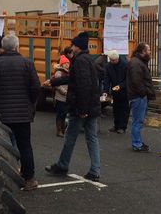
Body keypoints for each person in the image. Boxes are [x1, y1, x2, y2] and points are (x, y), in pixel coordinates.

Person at [0, 34, 41, 191]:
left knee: (1, 145)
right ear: (17, 46)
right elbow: (36, 87)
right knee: (25, 146)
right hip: (22, 113)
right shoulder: (27, 64)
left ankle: (3, 177)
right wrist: (30, 103)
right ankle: (29, 178)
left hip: (1, 113)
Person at [45, 32, 101, 182]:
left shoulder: (80, 61)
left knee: (71, 136)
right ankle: (94, 170)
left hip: (81, 107)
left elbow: (83, 85)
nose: (71, 47)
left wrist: (83, 110)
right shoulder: (87, 59)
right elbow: (74, 78)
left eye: (73, 45)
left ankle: (63, 165)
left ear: (78, 47)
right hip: (92, 106)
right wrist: (53, 82)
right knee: (92, 138)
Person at [127, 43, 155, 152]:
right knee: (137, 121)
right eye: (148, 50)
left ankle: (137, 142)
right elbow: (136, 81)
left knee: (138, 121)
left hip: (139, 96)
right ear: (142, 51)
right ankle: (137, 144)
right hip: (138, 96)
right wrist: (143, 93)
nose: (150, 52)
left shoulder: (137, 62)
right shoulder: (136, 63)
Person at [103, 50, 129, 134]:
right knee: (116, 109)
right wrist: (105, 91)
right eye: (111, 60)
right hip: (115, 90)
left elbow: (128, 79)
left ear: (118, 58)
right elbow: (106, 79)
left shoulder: (125, 65)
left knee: (124, 109)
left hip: (124, 91)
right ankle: (116, 125)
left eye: (113, 60)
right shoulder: (108, 66)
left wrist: (120, 86)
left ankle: (122, 127)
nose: (112, 62)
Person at [52, 55, 70, 137]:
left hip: (67, 97)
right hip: (60, 97)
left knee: (64, 113)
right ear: (62, 64)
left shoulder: (69, 72)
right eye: (65, 63)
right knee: (60, 113)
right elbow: (57, 85)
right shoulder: (59, 72)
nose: (67, 65)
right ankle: (59, 130)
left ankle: (63, 129)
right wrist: (64, 91)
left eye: (68, 63)